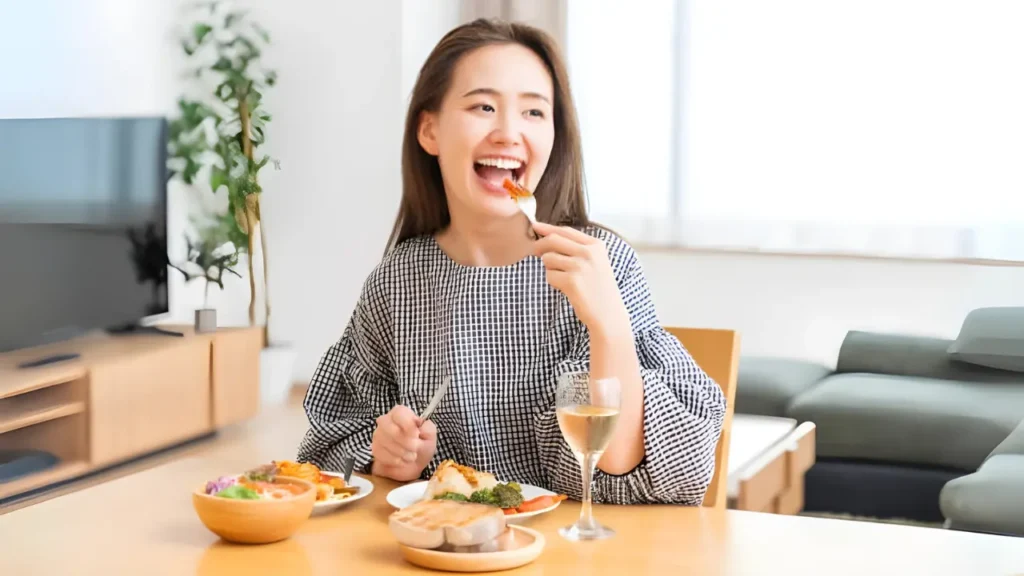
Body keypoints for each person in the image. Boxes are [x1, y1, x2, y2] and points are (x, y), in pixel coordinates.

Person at [297, 18, 726, 506]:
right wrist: (385, 453)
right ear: (430, 129)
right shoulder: (398, 280)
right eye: (483, 106)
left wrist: (610, 327)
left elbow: (623, 468)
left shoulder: (602, 266)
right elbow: (327, 453)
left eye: (533, 113)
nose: (508, 132)